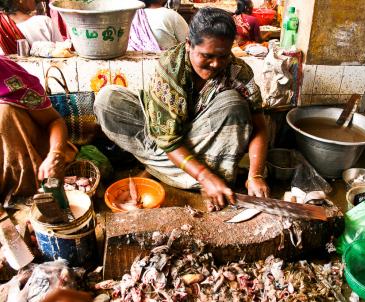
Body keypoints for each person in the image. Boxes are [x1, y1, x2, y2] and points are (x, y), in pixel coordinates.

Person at [95, 7, 270, 210]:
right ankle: (200, 177)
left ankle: (169, 170)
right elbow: (167, 141)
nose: (215, 64)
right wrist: (205, 176)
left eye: (223, 56)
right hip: (162, 141)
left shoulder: (238, 71)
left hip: (203, 139)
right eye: (207, 56)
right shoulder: (169, 69)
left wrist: (255, 175)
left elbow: (259, 126)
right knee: (108, 99)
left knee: (234, 103)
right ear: (188, 45)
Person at [0, 56, 76, 204]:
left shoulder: (8, 77)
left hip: (36, 171)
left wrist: (55, 155)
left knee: (4, 114)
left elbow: (54, 121)